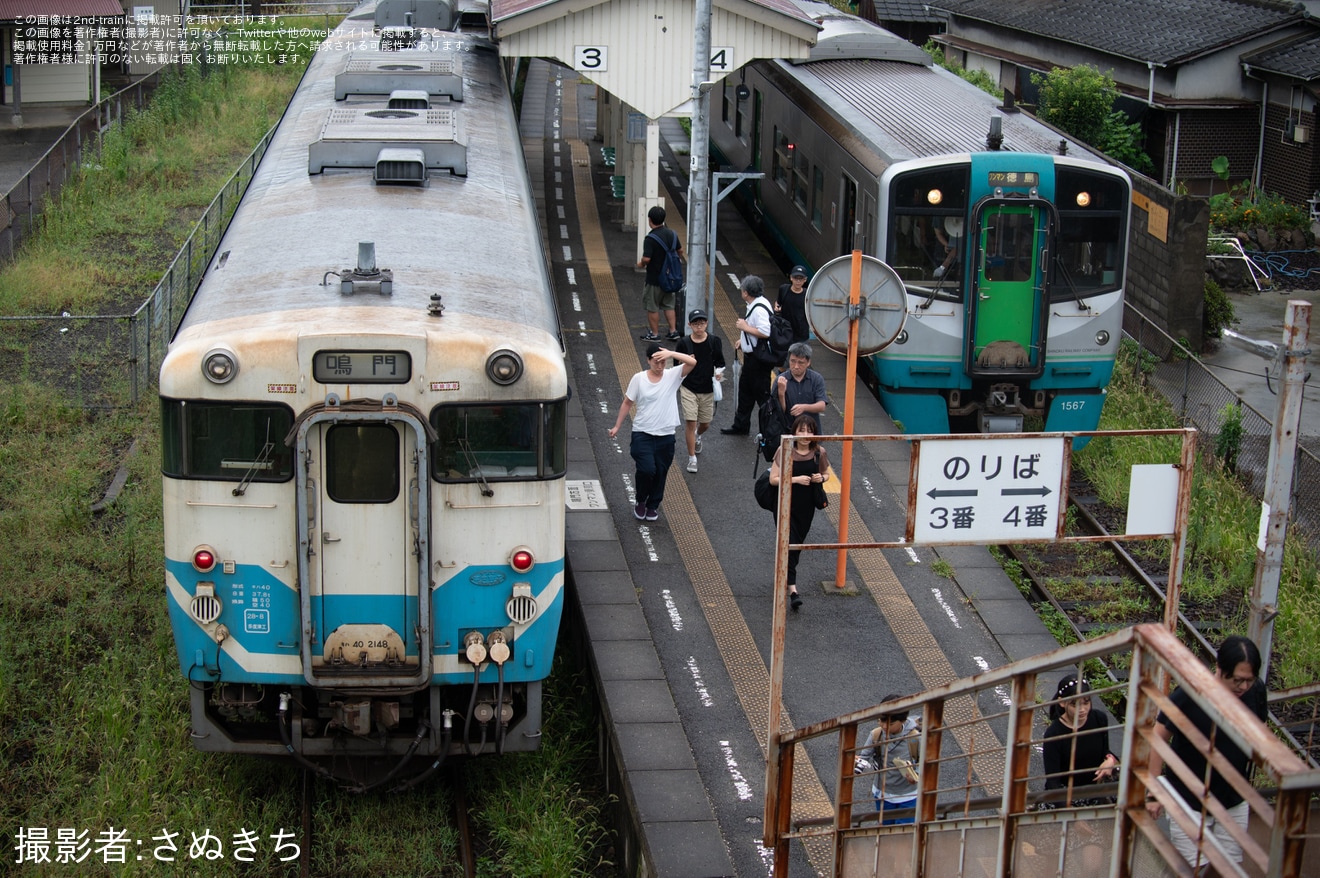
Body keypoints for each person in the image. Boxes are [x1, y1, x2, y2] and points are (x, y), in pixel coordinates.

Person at [1146, 636, 1269, 871]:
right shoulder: (1191, 693)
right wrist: (1154, 791)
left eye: (1249, 681)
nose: (1243, 687)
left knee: (1229, 868)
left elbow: (1260, 732)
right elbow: (1158, 735)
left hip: (1232, 797)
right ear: (1219, 670)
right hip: (1187, 798)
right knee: (1195, 868)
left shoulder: (1255, 692)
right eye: (1237, 680)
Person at [608, 343, 696, 521]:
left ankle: (653, 505)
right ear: (648, 360)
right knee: (647, 470)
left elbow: (692, 362)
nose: (660, 365)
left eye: (663, 362)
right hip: (643, 433)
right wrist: (617, 425)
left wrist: (671, 353)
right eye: (656, 362)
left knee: (661, 472)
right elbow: (627, 402)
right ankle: (641, 500)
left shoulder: (672, 376)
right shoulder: (639, 379)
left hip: (666, 435)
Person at [767, 415, 829, 609]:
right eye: (801, 430)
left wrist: (822, 478)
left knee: (797, 543)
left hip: (806, 507)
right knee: (788, 542)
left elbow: (826, 473)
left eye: (809, 431)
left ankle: (785, 576)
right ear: (794, 432)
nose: (805, 435)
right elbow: (773, 479)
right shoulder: (784, 450)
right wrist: (794, 479)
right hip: (785, 504)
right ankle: (793, 590)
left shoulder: (819, 452)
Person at [1042, 675, 1119, 807]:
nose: (1082, 709)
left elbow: (1104, 751)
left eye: (1086, 702)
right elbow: (1053, 783)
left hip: (1096, 789)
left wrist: (1110, 760)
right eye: (1074, 704)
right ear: (1062, 702)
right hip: (1068, 796)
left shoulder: (1099, 718)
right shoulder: (1054, 734)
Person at [720, 275, 773, 436]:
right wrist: (743, 341)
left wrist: (744, 327)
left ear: (746, 292)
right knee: (746, 391)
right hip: (753, 358)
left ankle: (768, 429)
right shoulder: (758, 303)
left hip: (758, 361)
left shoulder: (758, 309)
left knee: (761, 395)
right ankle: (741, 425)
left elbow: (765, 331)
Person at [674, 309, 726, 474]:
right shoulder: (683, 343)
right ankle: (692, 458)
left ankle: (698, 435)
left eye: (702, 323)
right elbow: (677, 367)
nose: (699, 326)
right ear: (689, 325)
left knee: (705, 423)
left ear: (707, 324)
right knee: (690, 421)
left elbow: (720, 362)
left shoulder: (714, 341)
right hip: (688, 387)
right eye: (695, 323)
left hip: (707, 389)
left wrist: (719, 374)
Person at [858, 695, 921, 825]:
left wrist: (917, 775)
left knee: (903, 833)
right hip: (883, 794)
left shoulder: (915, 738)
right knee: (886, 832)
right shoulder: (876, 734)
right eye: (881, 721)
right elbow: (863, 757)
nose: (884, 726)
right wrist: (856, 762)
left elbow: (925, 761)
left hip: (908, 796)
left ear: (903, 721)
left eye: (890, 723)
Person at [636, 205, 683, 341]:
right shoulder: (672, 234)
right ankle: (673, 331)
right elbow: (680, 251)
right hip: (670, 278)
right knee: (669, 305)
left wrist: (641, 264)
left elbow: (647, 258)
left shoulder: (650, 238)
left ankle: (655, 334)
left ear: (650, 220)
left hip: (655, 279)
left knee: (653, 307)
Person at [775, 342, 827, 434]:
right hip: (788, 431)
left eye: (800, 363)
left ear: (808, 362)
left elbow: (822, 406)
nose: (796, 366)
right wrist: (781, 394)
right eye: (792, 361)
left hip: (811, 432)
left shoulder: (816, 379)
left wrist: (804, 407)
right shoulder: (780, 380)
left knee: (820, 449)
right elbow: (778, 411)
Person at [776, 265, 810, 345]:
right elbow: (778, 303)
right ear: (791, 278)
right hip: (785, 332)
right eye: (795, 278)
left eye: (801, 278)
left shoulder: (807, 295)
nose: (798, 281)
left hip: (801, 335)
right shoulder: (783, 289)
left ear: (805, 280)